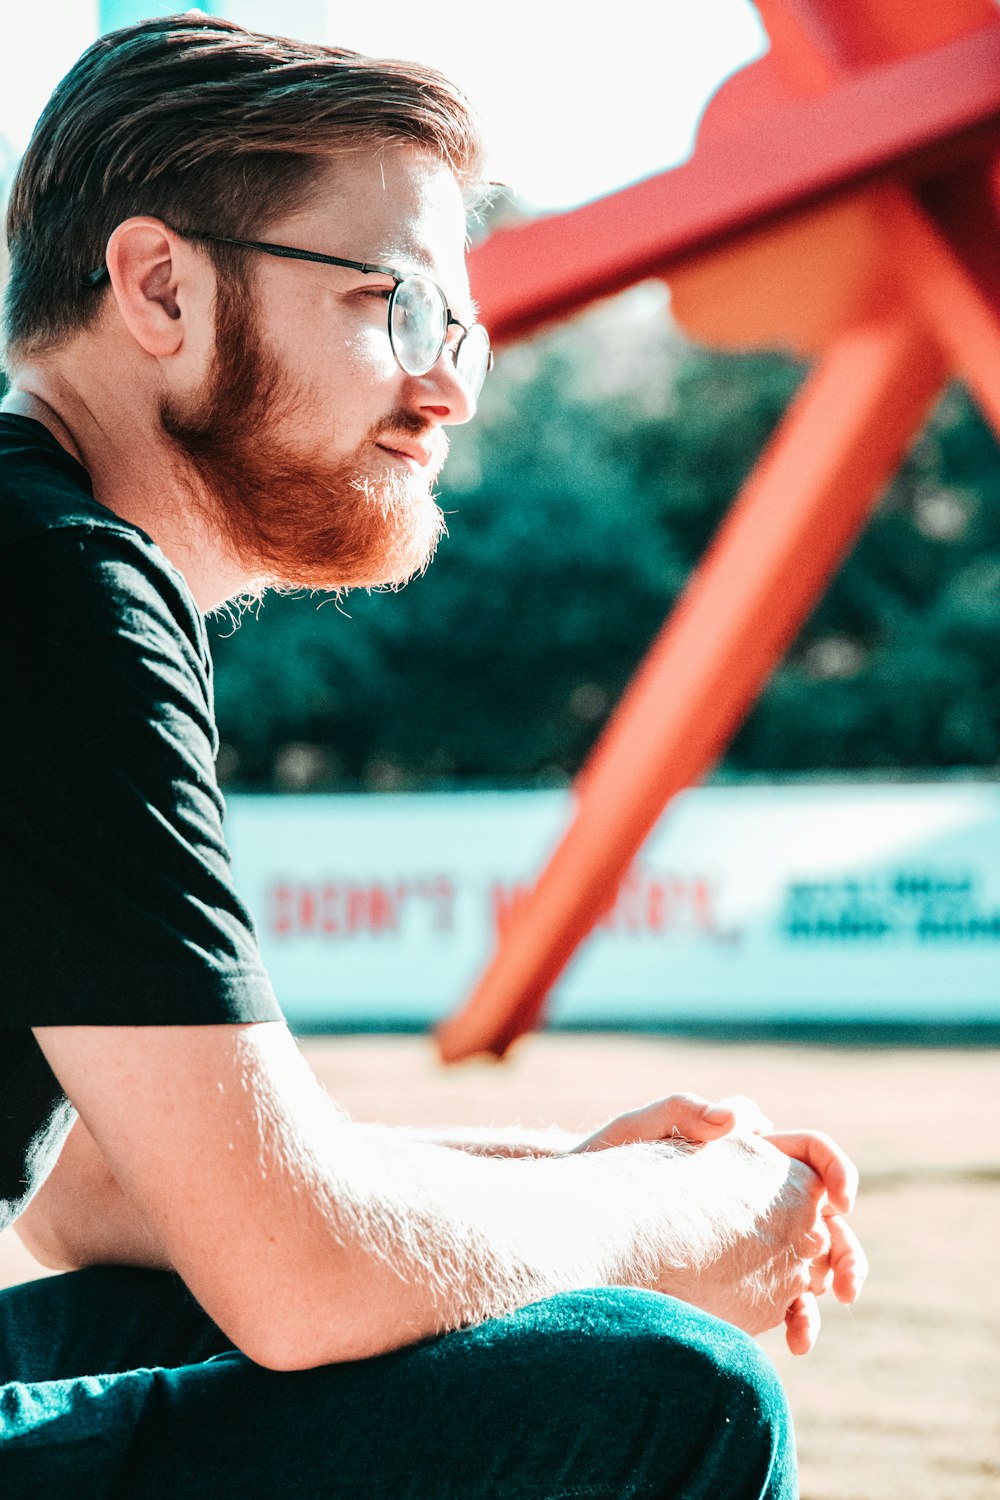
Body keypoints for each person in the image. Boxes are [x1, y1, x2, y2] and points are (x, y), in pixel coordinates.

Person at [0, 15, 866, 1498]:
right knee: (667, 1396)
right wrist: (673, 1224)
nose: (451, 386)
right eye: (397, 307)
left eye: (457, 330)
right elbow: (302, 1277)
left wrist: (573, 1179)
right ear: (160, 285)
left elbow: (94, 1192)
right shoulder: (60, 589)